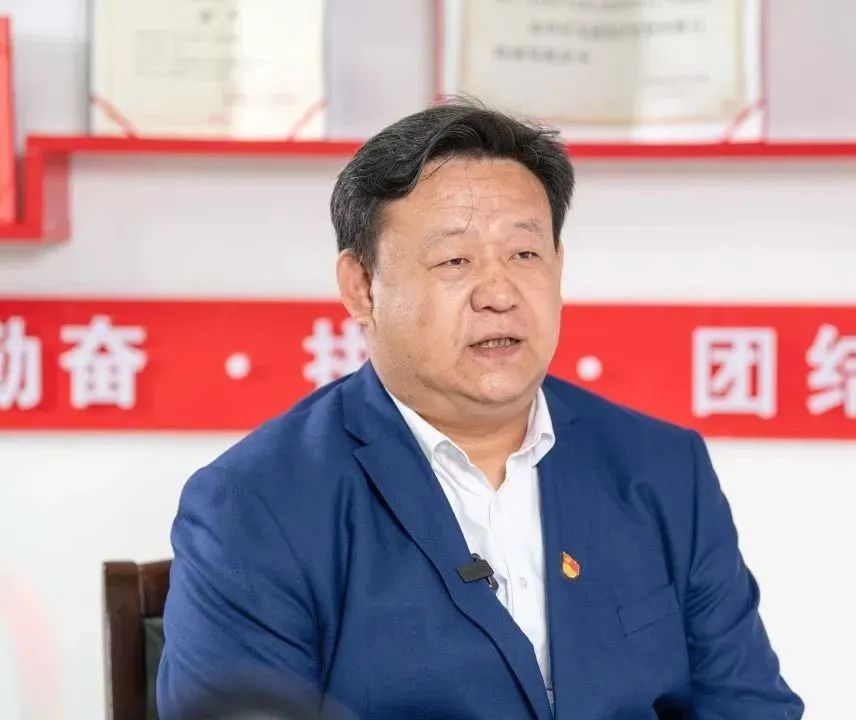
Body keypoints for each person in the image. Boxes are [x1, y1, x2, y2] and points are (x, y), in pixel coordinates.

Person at [157, 101, 803, 720]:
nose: (499, 293)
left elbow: (749, 707)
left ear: (558, 266)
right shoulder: (256, 505)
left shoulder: (662, 470)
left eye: (525, 254)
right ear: (362, 287)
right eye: (455, 260)